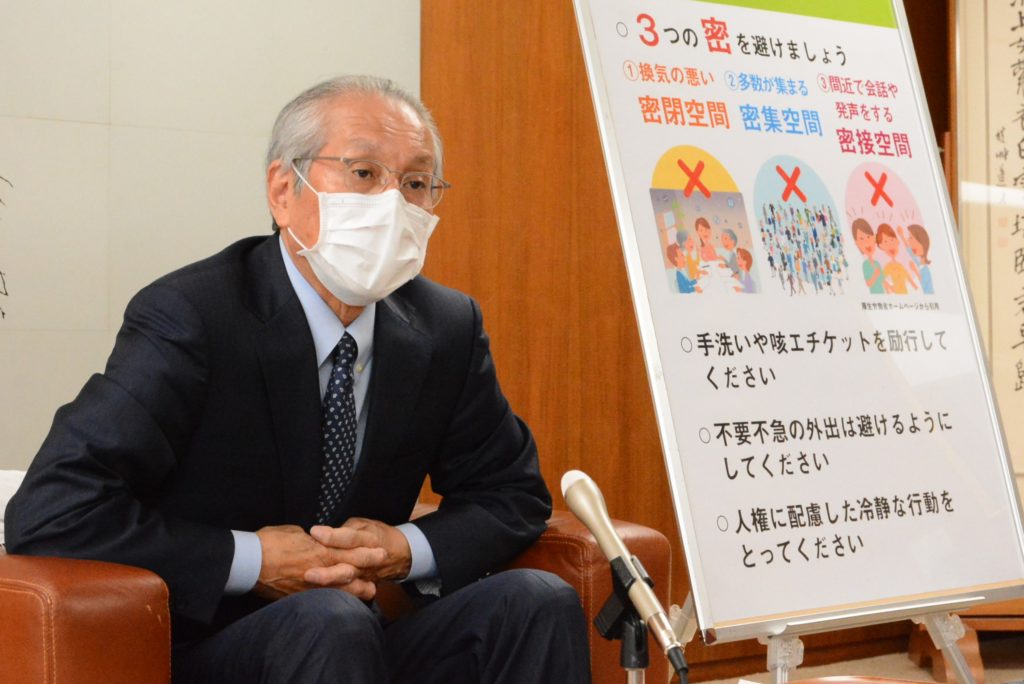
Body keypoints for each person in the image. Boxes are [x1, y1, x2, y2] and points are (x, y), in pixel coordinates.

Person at [4, 75, 591, 684]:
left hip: (356, 635)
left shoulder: (444, 324)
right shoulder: (195, 314)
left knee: (536, 601)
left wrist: (401, 550)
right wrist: (255, 559)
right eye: (364, 173)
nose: (393, 203)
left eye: (416, 183)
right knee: (328, 619)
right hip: (211, 646)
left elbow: (511, 494)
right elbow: (53, 509)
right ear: (284, 190)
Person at [851, 218, 884, 294]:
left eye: (868, 237)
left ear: (874, 237)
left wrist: (889, 288)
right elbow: (868, 284)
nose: (866, 241)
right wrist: (875, 275)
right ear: (857, 243)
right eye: (861, 239)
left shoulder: (877, 263)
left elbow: (882, 281)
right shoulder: (865, 265)